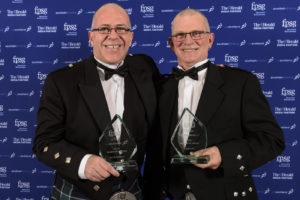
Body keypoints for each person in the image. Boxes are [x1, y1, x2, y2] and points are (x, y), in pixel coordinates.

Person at [152, 8, 285, 200]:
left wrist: (223, 154)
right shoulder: (159, 88)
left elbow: (272, 140)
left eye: (196, 33)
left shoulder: (241, 83)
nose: (188, 41)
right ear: (171, 43)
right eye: (180, 35)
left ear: (210, 39)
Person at [32, 3, 160, 200]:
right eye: (104, 29)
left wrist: (218, 74)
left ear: (131, 37)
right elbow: (44, 143)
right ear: (91, 37)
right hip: (79, 192)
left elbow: (175, 89)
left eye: (121, 29)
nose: (113, 35)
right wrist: (83, 162)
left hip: (133, 189)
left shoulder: (145, 67)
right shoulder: (61, 81)